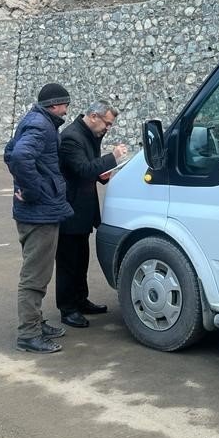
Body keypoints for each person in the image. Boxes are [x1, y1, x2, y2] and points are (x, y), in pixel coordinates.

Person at [3, 82, 74, 353]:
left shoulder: (35, 120)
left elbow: (9, 152)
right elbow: (19, 156)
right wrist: (33, 191)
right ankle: (29, 334)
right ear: (54, 105)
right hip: (39, 213)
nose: (67, 109)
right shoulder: (42, 126)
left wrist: (27, 188)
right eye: (65, 104)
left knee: (38, 273)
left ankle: (35, 323)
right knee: (35, 276)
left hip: (37, 210)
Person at [56, 101, 128, 328]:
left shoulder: (90, 135)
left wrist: (102, 174)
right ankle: (67, 308)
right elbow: (81, 169)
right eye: (107, 123)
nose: (108, 128)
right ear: (94, 116)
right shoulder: (71, 137)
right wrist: (112, 157)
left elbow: (90, 168)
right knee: (68, 262)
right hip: (70, 209)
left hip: (83, 208)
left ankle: (81, 299)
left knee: (82, 259)